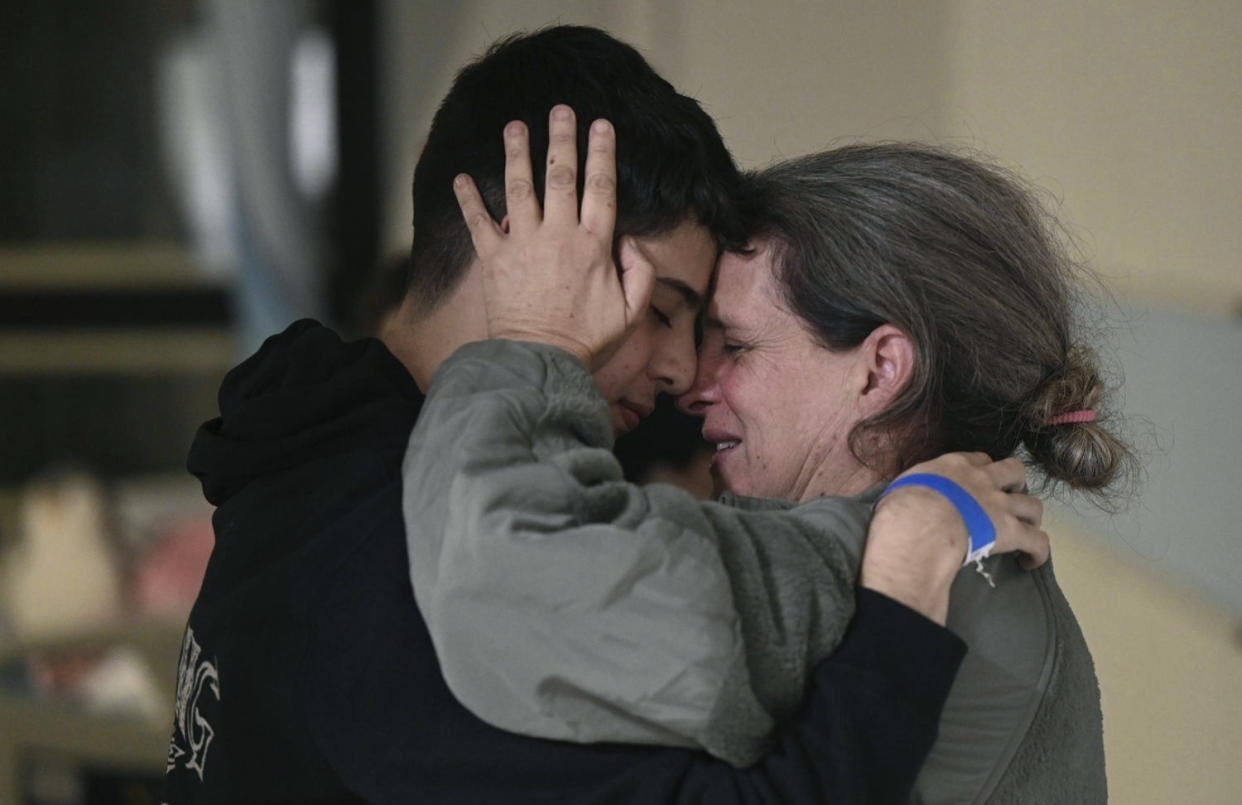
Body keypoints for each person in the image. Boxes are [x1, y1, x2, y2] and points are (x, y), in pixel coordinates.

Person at [163, 26, 1046, 803]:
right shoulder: (406, 562)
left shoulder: (310, 445)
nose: (679, 371)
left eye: (710, 334)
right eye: (660, 307)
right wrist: (898, 590)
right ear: (520, 247)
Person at [404, 140, 1132, 802]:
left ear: (879, 371)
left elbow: (504, 562)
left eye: (738, 346)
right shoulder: (979, 568)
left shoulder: (885, 561)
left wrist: (538, 341)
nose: (692, 382)